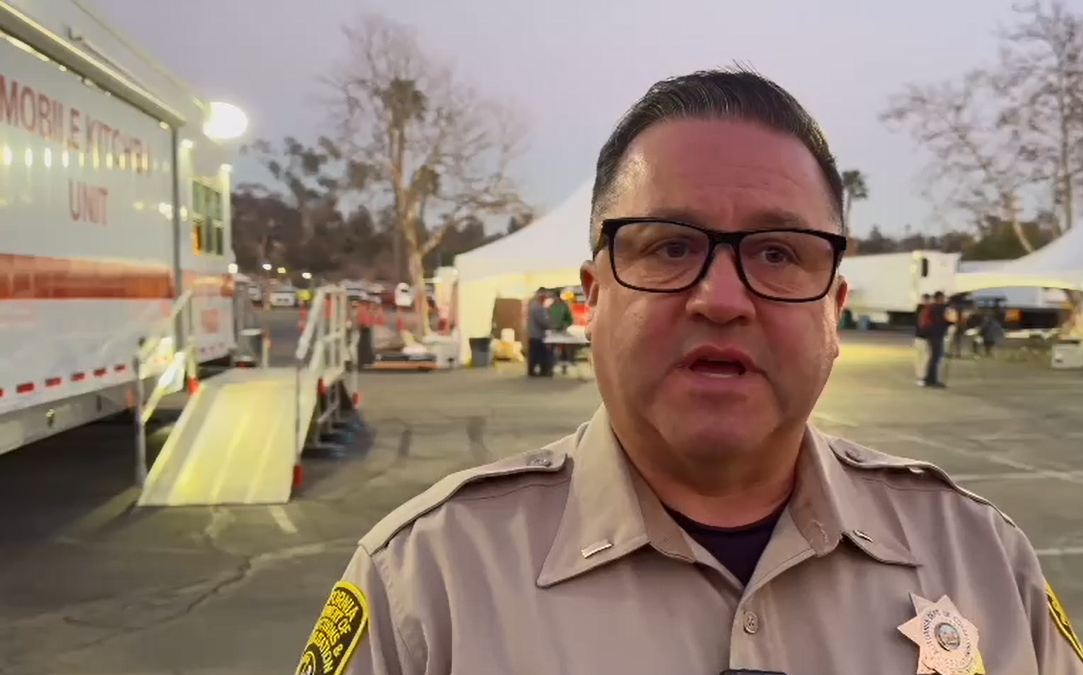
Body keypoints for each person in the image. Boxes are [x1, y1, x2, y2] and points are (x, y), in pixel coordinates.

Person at [295, 69, 1083, 675]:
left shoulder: (981, 558)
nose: (720, 297)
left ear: (832, 310)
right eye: (669, 245)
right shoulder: (426, 584)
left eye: (777, 254)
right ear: (592, 296)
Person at [920, 290, 952, 388]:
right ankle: (932, 380)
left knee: (934, 357)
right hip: (935, 335)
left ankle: (929, 378)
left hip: (932, 334)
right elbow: (944, 321)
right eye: (943, 298)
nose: (944, 299)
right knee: (935, 357)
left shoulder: (932, 307)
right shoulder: (937, 308)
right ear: (939, 298)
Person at [525, 287, 552, 377]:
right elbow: (542, 321)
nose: (545, 299)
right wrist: (552, 325)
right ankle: (539, 371)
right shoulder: (537, 307)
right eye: (544, 297)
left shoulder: (533, 304)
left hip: (534, 334)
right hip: (537, 334)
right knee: (538, 354)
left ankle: (533, 371)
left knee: (535, 353)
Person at [913, 292, 930, 383]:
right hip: (923, 336)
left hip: (917, 336)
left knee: (919, 356)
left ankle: (919, 375)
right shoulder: (925, 310)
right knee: (924, 356)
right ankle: (922, 376)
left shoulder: (918, 309)